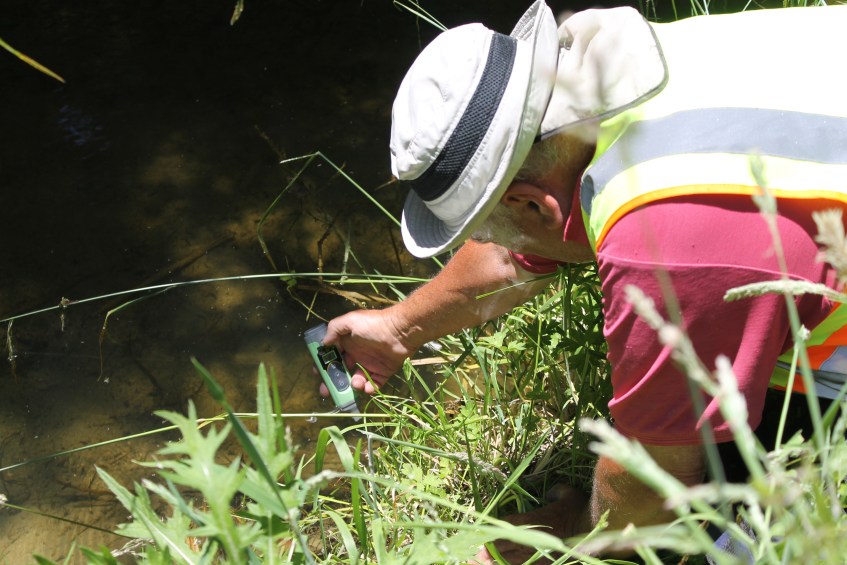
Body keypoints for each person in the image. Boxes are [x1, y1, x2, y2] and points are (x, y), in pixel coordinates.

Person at [320, 1, 847, 562]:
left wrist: (571, 531)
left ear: (532, 204)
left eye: (494, 227)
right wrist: (399, 328)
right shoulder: (624, 62)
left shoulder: (661, 246)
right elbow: (514, 257)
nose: (502, 245)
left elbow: (656, 478)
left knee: (744, 542)